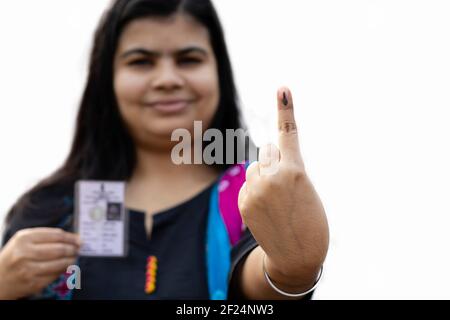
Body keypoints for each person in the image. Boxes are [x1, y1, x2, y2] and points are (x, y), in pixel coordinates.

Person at [0, 0, 329, 300]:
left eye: (189, 59)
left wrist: (292, 270)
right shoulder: (48, 211)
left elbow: (258, 278)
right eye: (141, 62)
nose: (167, 79)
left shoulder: (256, 192)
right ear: (107, 79)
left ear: (219, 71)